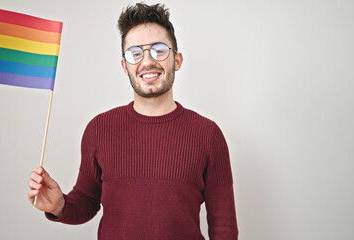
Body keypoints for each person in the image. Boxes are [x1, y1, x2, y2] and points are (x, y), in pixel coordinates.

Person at [28, 3, 238, 240]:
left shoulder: (208, 134)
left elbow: (224, 227)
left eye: (159, 50)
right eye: (135, 53)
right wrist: (60, 206)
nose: (147, 62)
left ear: (177, 60)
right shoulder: (99, 129)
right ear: (124, 66)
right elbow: (87, 201)